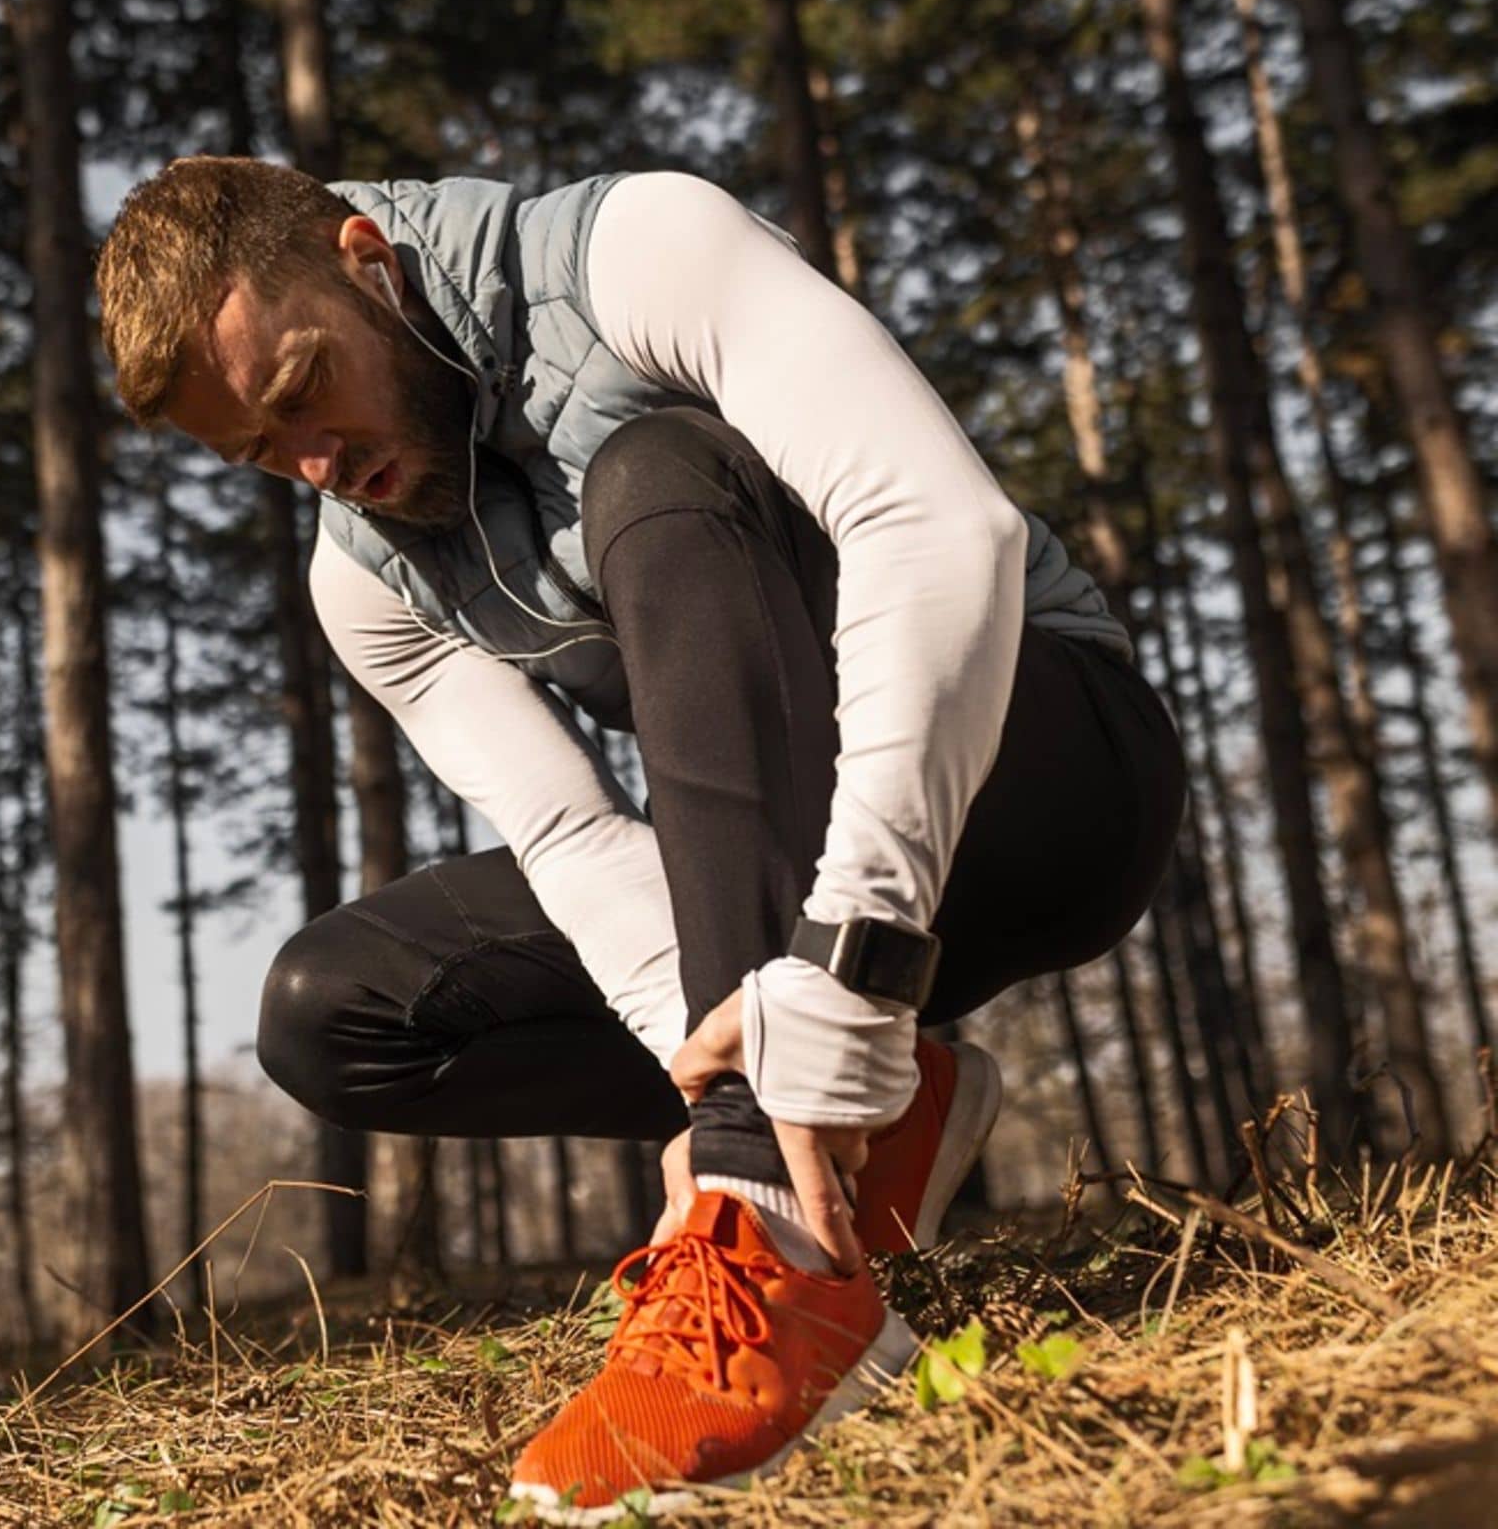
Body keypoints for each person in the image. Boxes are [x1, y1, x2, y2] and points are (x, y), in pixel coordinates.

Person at [94, 157, 1186, 1523]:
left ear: (369, 259)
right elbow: (568, 831)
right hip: (800, 882)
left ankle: (768, 1227)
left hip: (1047, 774)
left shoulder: (635, 255)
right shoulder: (359, 579)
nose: (320, 465)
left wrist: (846, 966)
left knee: (656, 468)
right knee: (338, 1010)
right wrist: (720, 1051)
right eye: (263, 457)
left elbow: (933, 525)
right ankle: (854, 1143)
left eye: (303, 391)